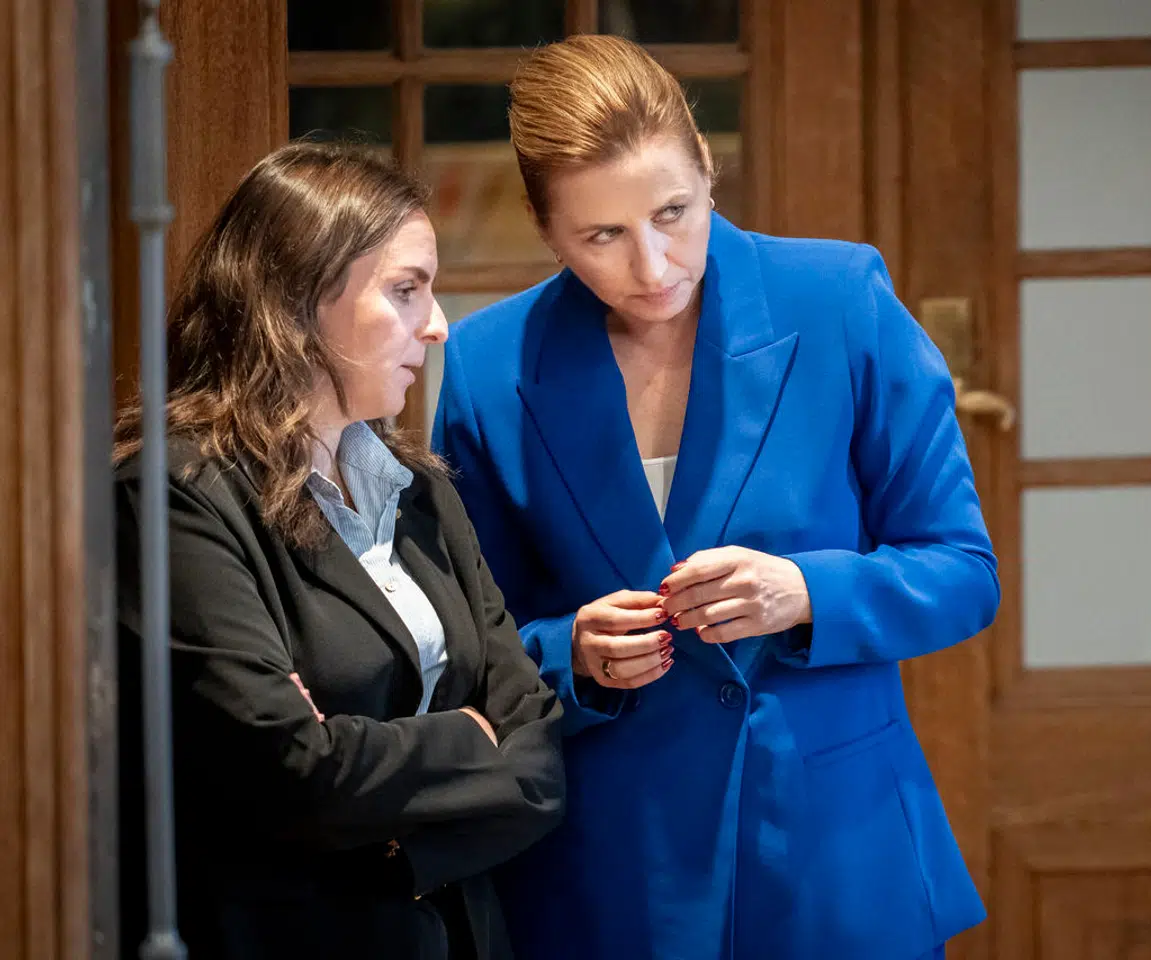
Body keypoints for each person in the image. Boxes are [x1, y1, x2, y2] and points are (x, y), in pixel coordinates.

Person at [433, 34, 1001, 960]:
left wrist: (805, 592)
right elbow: (470, 641)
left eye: (673, 213)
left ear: (706, 167)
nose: (653, 265)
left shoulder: (838, 299)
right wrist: (571, 651)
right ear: (544, 227)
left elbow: (964, 571)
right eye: (603, 236)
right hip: (611, 861)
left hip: (826, 844)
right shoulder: (490, 365)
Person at [113, 141, 564, 960]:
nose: (437, 324)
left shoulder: (421, 490)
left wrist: (394, 831)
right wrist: (474, 736)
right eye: (405, 290)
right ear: (298, 297)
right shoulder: (175, 493)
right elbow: (292, 772)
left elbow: (539, 760)